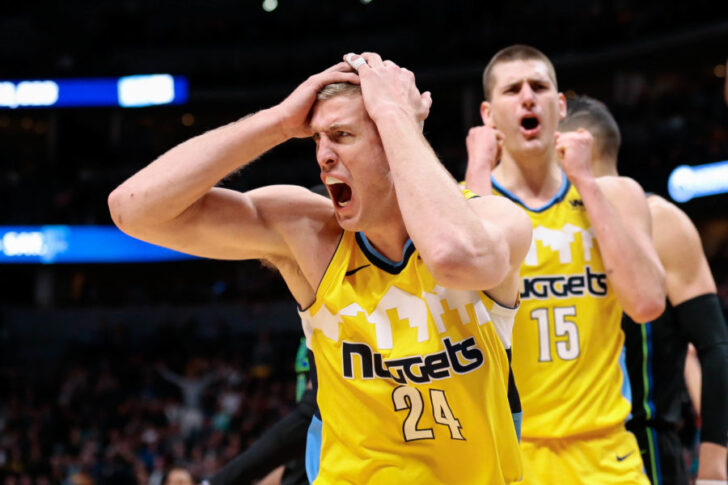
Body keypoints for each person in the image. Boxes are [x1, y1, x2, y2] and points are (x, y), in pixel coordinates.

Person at [109, 52, 533, 484]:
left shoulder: (496, 222)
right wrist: (276, 122)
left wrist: (393, 114)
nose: (324, 156)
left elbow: (452, 258)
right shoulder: (309, 232)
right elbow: (133, 210)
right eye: (317, 140)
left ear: (394, 139)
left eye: (342, 135)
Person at [466, 44, 666, 484]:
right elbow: (465, 315)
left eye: (539, 86)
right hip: (511, 454)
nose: (527, 98)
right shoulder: (467, 201)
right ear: (488, 115)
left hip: (607, 451)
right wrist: (476, 173)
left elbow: (647, 303)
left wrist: (587, 184)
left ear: (559, 106)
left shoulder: (614, 194)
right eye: (512, 89)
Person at [559, 95, 728, 485]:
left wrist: (715, 465)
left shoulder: (660, 220)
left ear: (582, 143)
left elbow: (714, 347)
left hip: (645, 443)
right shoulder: (551, 228)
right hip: (567, 447)